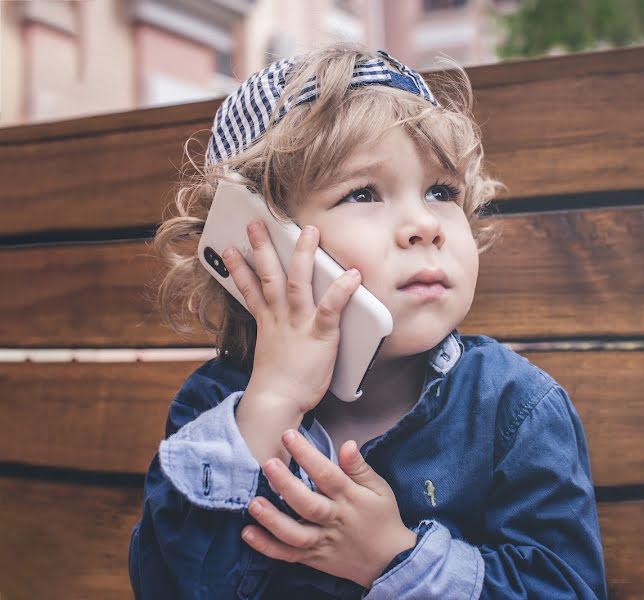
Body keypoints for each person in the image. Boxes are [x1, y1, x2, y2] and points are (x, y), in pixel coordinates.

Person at [128, 41, 608, 599]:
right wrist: (272, 403)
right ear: (259, 243)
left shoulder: (514, 408)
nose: (425, 224)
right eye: (363, 192)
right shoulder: (217, 411)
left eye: (441, 191)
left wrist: (394, 560)